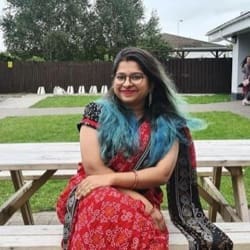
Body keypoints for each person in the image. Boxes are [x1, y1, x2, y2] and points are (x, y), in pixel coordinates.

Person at [56, 47, 233, 250]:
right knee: (105, 205)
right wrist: (142, 203)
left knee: (127, 224)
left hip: (139, 196)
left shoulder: (168, 123)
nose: (127, 83)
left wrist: (116, 181)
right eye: (120, 77)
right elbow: (94, 169)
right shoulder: (97, 112)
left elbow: (162, 173)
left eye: (136, 77)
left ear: (151, 83)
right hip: (91, 191)